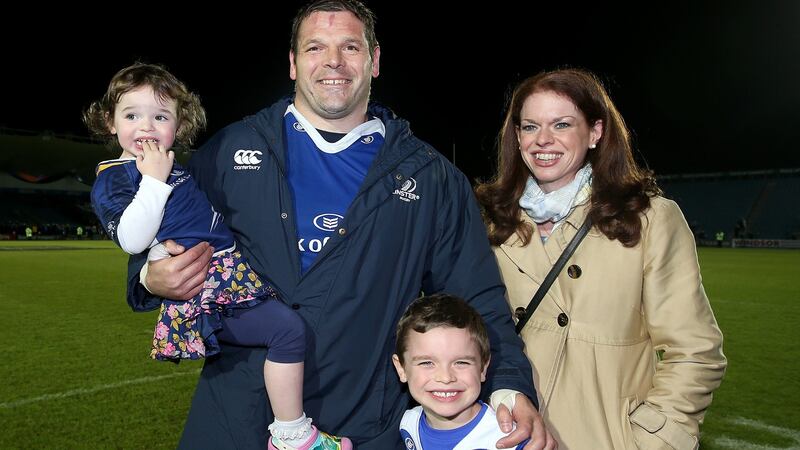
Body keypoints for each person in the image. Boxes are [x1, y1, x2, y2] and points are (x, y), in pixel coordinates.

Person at [125, 1, 555, 449]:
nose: (333, 61)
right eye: (315, 47)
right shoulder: (231, 150)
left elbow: (476, 296)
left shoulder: (430, 177)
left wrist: (509, 387)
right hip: (234, 416)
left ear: (375, 60)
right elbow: (156, 224)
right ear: (293, 63)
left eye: (350, 47)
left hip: (361, 421)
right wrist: (149, 276)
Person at [86, 63, 350, 450]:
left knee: (288, 331)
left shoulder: (178, 165)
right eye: (132, 116)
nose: (146, 127)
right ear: (110, 122)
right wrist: (154, 182)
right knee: (287, 332)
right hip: (207, 290)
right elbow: (131, 239)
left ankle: (291, 430)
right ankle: (292, 434)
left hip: (228, 273)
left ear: (179, 125)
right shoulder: (116, 177)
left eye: (160, 116)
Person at [475, 68, 727, 449]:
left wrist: (654, 438)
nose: (543, 139)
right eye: (530, 126)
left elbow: (695, 351)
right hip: (512, 436)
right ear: (517, 136)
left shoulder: (650, 219)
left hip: (606, 437)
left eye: (561, 124)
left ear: (595, 132)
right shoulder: (491, 222)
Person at [392, 294, 529, 450]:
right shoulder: (409, 424)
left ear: (483, 367)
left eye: (461, 362)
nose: (445, 377)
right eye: (427, 363)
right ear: (401, 368)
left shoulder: (510, 441)